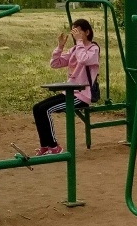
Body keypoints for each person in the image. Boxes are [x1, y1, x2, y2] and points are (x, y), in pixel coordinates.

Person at [32, 18, 100, 155]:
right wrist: (60, 47)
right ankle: (45, 146)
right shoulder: (75, 49)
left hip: (82, 96)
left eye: (78, 31)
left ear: (87, 32)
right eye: (73, 32)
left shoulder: (94, 49)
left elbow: (84, 59)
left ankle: (54, 147)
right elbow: (55, 63)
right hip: (69, 92)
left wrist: (80, 42)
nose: (75, 35)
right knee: (37, 108)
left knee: (46, 109)